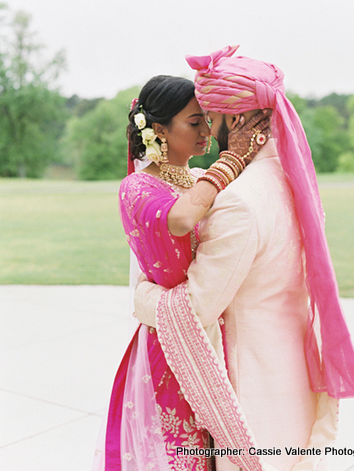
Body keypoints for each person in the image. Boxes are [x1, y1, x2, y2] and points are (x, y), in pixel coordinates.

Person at [134, 46, 354, 471]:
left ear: (237, 120)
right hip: (294, 374)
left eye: (211, 115)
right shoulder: (291, 181)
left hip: (256, 390)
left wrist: (142, 298)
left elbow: (196, 308)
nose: (207, 127)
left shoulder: (239, 202)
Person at [92, 74, 272, 471]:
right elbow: (181, 218)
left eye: (208, 119)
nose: (207, 130)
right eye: (195, 122)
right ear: (159, 129)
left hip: (210, 328)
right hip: (170, 344)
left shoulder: (195, 180)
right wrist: (230, 162)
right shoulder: (137, 187)